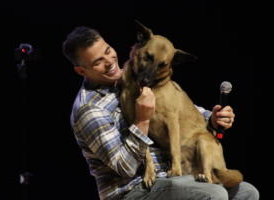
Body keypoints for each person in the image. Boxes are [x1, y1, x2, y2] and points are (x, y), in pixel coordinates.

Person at [62, 26, 259, 200]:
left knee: (247, 192)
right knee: (213, 194)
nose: (110, 61)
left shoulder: (134, 75)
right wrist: (142, 120)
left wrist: (214, 119)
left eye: (108, 51)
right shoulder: (89, 110)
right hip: (133, 190)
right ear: (81, 71)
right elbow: (125, 167)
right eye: (98, 61)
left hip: (172, 177)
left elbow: (177, 110)